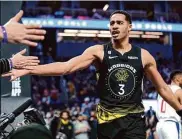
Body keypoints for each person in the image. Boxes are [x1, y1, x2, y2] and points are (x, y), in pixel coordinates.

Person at [3, 10, 182, 139]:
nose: (114, 26)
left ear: (130, 27)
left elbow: (163, 89)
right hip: (107, 121)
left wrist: (180, 110)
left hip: (134, 121)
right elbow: (66, 67)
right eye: (112, 23)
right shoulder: (98, 51)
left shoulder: (144, 55)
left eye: (119, 23)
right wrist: (30, 69)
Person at [156, 70, 182, 139]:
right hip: (171, 124)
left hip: (160, 125)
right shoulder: (179, 90)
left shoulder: (163, 90)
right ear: (178, 79)